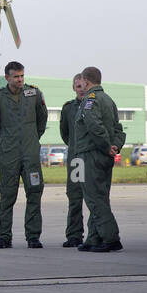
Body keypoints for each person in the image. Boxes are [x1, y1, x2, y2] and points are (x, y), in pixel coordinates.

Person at [0, 61, 47, 248]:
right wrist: (8, 140)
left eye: (22, 76)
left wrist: (31, 139)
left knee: (34, 193)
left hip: (30, 155)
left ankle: (33, 237)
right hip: (9, 155)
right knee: (6, 195)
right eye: (16, 76)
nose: (20, 80)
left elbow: (42, 120)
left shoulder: (34, 94)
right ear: (7, 77)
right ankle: (4, 236)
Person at [72, 66, 126, 252]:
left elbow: (94, 126)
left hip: (91, 154)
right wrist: (114, 146)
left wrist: (105, 145)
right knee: (99, 197)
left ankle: (111, 238)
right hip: (103, 155)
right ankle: (94, 238)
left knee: (94, 199)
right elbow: (119, 129)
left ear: (86, 81)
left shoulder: (90, 100)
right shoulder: (108, 100)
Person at [59, 72, 88, 247]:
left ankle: (97, 233)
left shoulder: (94, 104)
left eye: (84, 86)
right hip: (76, 160)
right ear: (73, 88)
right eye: (78, 87)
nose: (81, 90)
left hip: (91, 158)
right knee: (74, 197)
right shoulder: (68, 108)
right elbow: (65, 133)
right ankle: (74, 234)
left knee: (94, 197)